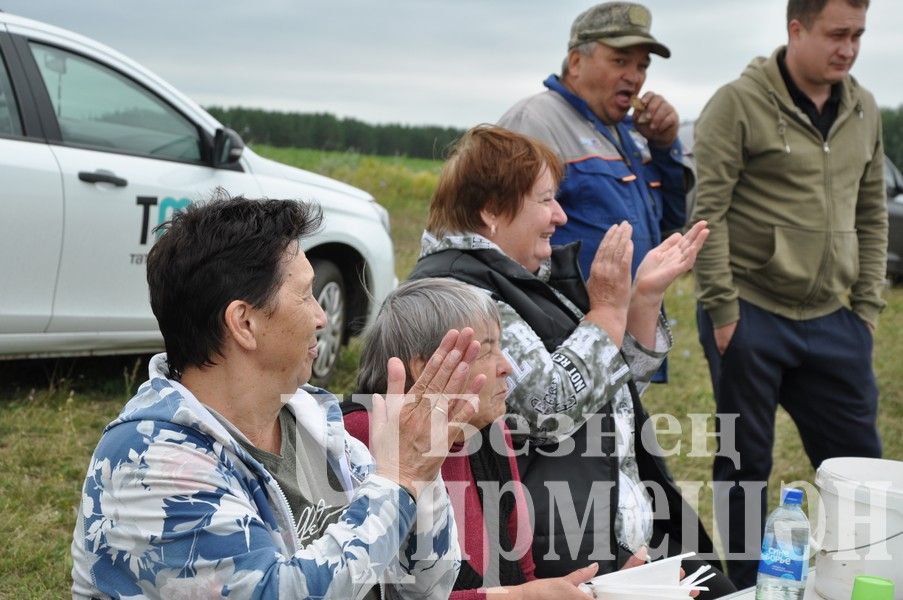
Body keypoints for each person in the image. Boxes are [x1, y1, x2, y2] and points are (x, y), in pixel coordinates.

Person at [70, 195, 482, 599]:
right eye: (305, 295)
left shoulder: (314, 420)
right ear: (244, 322)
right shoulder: (148, 463)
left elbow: (428, 585)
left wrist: (422, 476)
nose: (322, 317)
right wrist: (399, 478)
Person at [408, 125, 735, 598]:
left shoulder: (515, 281)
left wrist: (642, 299)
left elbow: (606, 397)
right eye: (545, 200)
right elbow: (547, 408)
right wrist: (604, 311)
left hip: (602, 529)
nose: (560, 215)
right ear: (492, 211)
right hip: (561, 545)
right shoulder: (463, 294)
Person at [691, 0, 887, 588]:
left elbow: (872, 211)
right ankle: (754, 584)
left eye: (857, 35)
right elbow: (709, 212)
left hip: (835, 320)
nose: (847, 49)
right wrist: (725, 313)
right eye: (835, 34)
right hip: (752, 313)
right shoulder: (738, 103)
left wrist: (868, 310)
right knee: (745, 466)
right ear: (795, 28)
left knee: (863, 467)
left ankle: (865, 575)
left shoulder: (864, 108)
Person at [345, 277, 611, 599]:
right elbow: (377, 595)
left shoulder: (487, 429)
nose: (507, 367)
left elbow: (522, 575)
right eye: (486, 351)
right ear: (425, 367)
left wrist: (603, 591)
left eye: (501, 347)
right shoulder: (364, 438)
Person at [497, 1, 689, 287]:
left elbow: (671, 224)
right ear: (576, 62)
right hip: (572, 323)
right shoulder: (535, 123)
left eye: (642, 65)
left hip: (633, 320)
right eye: (620, 61)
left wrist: (665, 146)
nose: (634, 77)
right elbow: (506, 244)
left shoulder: (634, 133)